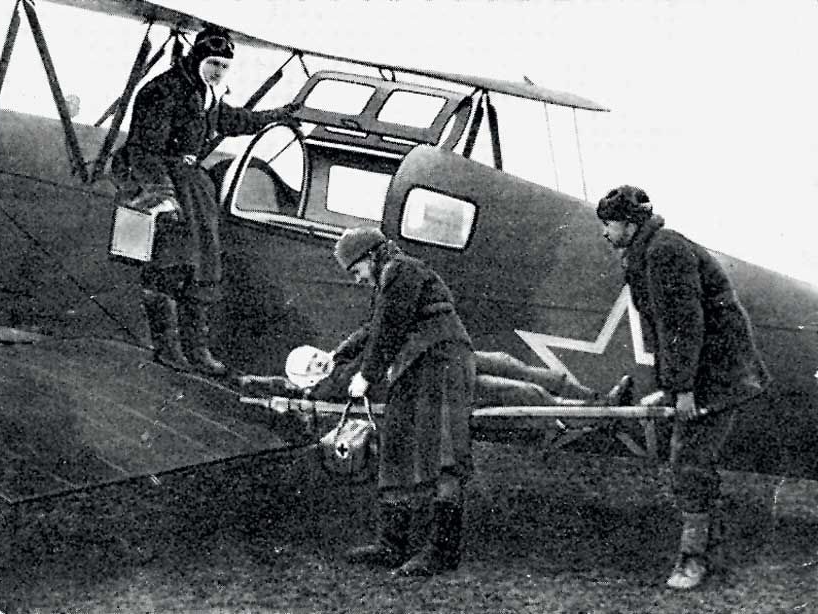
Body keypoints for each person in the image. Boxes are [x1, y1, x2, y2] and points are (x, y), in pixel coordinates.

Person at [596, 185, 771, 590]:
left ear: (629, 224)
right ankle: (711, 550)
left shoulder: (664, 252)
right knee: (692, 458)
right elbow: (663, 328)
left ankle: (694, 559)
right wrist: (673, 387)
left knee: (688, 459)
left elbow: (682, 326)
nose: (604, 232)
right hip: (708, 370)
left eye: (609, 223)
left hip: (719, 374)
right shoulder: (648, 251)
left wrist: (685, 390)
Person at [112, 25, 300, 375]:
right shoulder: (162, 90)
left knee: (202, 269)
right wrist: (163, 197)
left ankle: (197, 351)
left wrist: (277, 115)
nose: (218, 71)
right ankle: (168, 351)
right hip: (164, 188)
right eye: (213, 63)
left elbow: (235, 119)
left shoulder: (204, 92)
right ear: (197, 58)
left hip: (193, 189)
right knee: (169, 267)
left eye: (224, 66)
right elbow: (143, 150)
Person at [329, 226, 475, 577]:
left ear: (371, 256)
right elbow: (377, 326)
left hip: (442, 362)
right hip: (416, 366)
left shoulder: (402, 270)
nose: (357, 279)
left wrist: (366, 375)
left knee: (443, 455)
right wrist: (339, 353)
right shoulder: (392, 276)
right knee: (394, 446)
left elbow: (389, 328)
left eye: (356, 270)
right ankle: (391, 544)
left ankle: (441, 552)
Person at [238, 344, 634, 409]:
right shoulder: (332, 388)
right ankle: (594, 411)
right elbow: (287, 387)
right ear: (307, 382)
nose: (320, 363)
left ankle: (594, 398)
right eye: (312, 367)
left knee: (507, 363)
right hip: (436, 386)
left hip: (438, 361)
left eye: (317, 357)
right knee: (523, 390)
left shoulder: (337, 366)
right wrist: (254, 384)